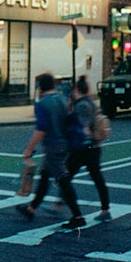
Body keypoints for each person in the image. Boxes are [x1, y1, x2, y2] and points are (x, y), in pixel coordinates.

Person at [16, 73, 85, 229]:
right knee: (45, 176)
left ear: (40, 88)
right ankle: (31, 208)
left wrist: (29, 148)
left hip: (53, 145)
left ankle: (77, 215)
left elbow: (41, 129)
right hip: (65, 143)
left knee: (63, 180)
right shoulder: (63, 98)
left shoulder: (42, 104)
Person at [64, 75, 111, 221]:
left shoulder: (81, 106)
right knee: (97, 178)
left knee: (65, 177)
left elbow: (83, 127)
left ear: (77, 90)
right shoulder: (91, 102)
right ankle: (105, 210)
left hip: (83, 148)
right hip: (94, 147)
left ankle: (73, 212)